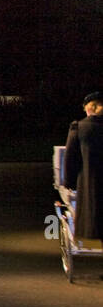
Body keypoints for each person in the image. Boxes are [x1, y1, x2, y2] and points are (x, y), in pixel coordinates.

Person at [64, 91, 103, 246]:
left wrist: (69, 182)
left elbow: (70, 159)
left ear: (91, 108)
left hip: (92, 186)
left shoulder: (80, 128)